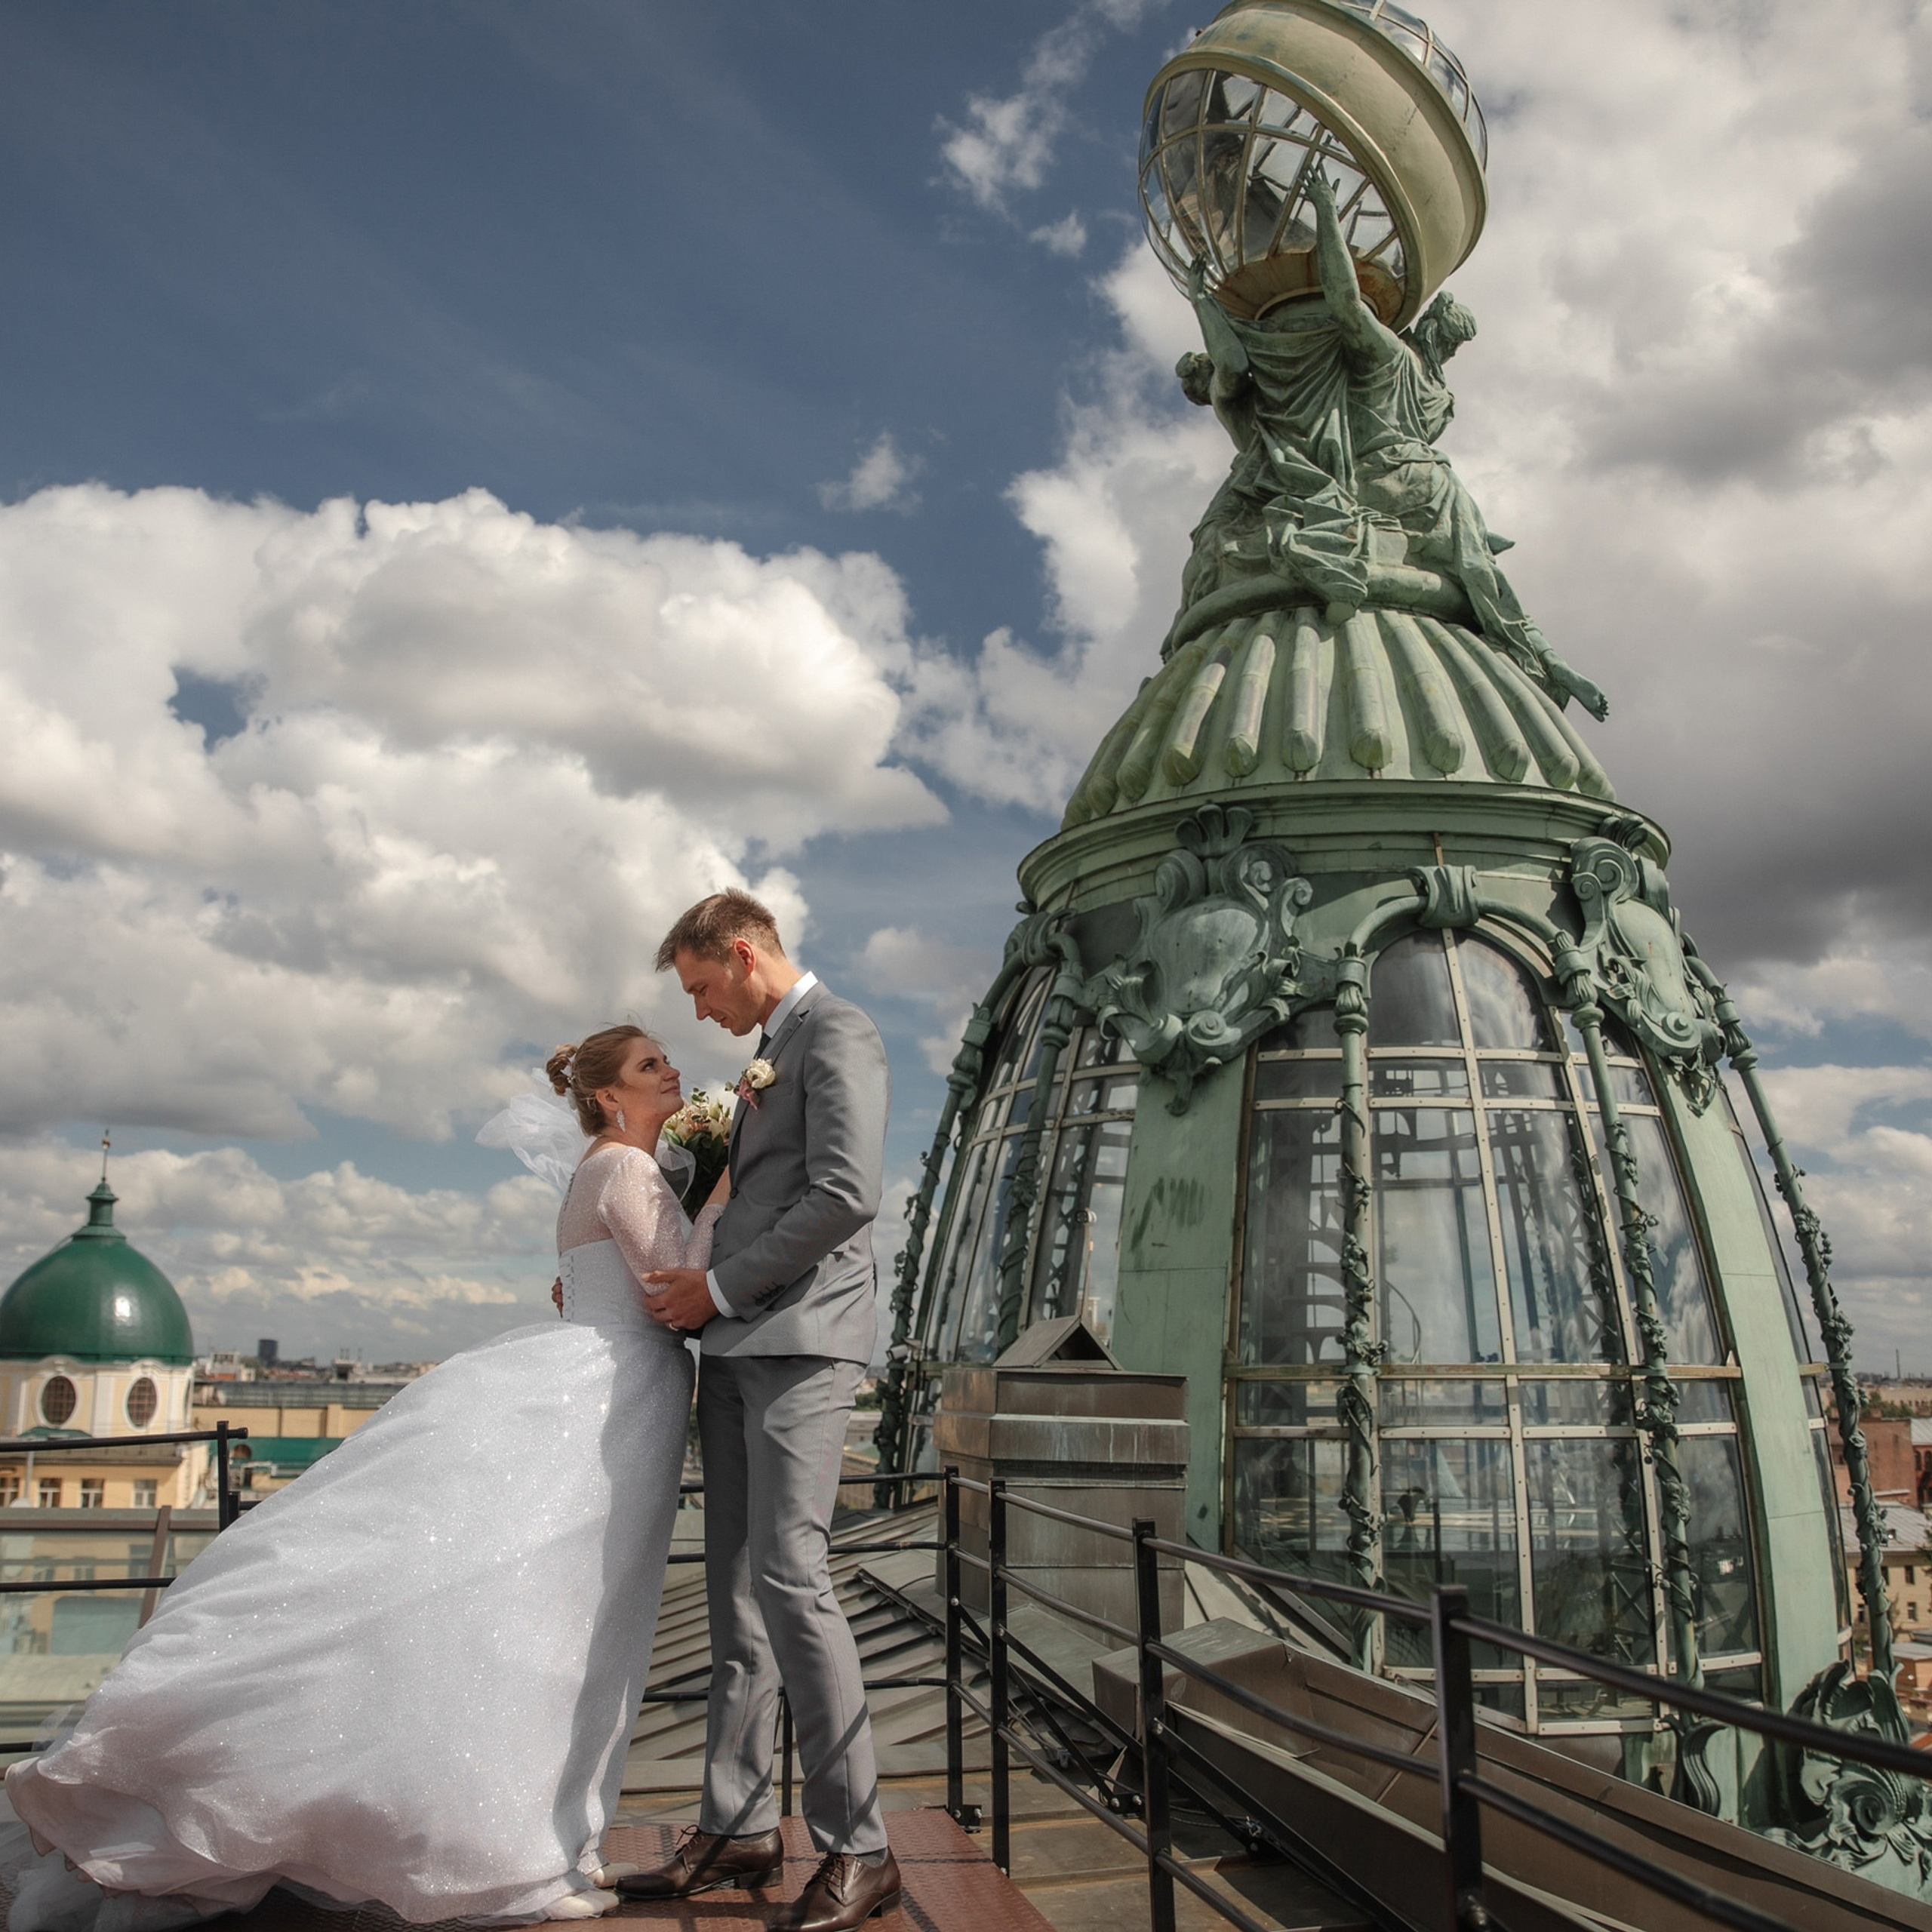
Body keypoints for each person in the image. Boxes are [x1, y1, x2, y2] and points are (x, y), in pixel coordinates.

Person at [1, 1028, 724, 1930]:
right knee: (560, 1622)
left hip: (616, 1393)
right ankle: (526, 1855)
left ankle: (548, 1842)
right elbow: (674, 1285)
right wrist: (729, 1184)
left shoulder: (605, 1165)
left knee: (570, 1620)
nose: (673, 1071)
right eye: (651, 1064)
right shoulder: (626, 1168)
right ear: (611, 1097)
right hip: (612, 1400)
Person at [620, 890, 898, 1932]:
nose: (697, 1012)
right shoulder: (767, 1057)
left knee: (791, 1576)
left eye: (700, 987)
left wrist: (722, 1292)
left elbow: (844, 1196)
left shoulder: (842, 1034)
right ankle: (736, 1823)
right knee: (734, 1594)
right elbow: (750, 1198)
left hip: (798, 1345)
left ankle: (861, 1850)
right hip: (731, 1351)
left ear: (742, 954)